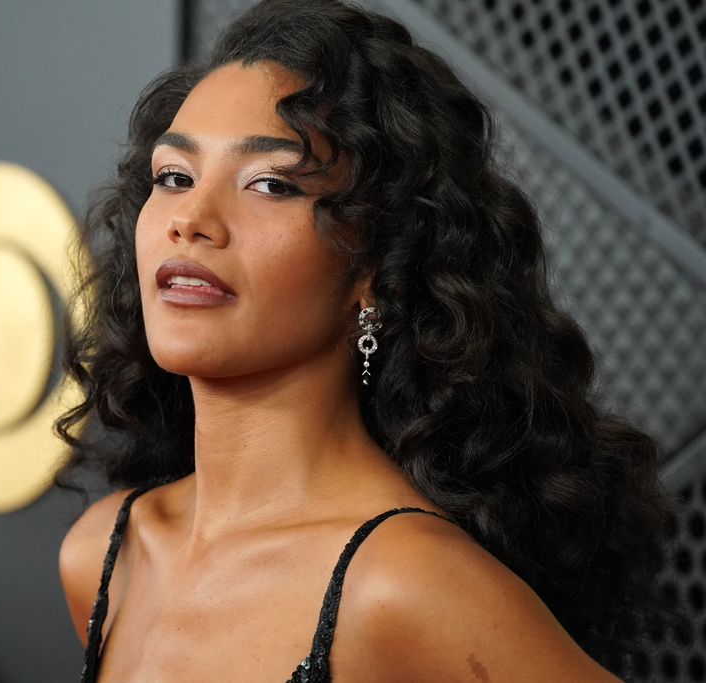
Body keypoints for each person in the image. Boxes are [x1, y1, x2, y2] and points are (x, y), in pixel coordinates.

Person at [55, 1, 673, 680]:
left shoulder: (403, 581)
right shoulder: (103, 555)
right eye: (174, 176)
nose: (191, 220)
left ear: (377, 265)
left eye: (271, 183)